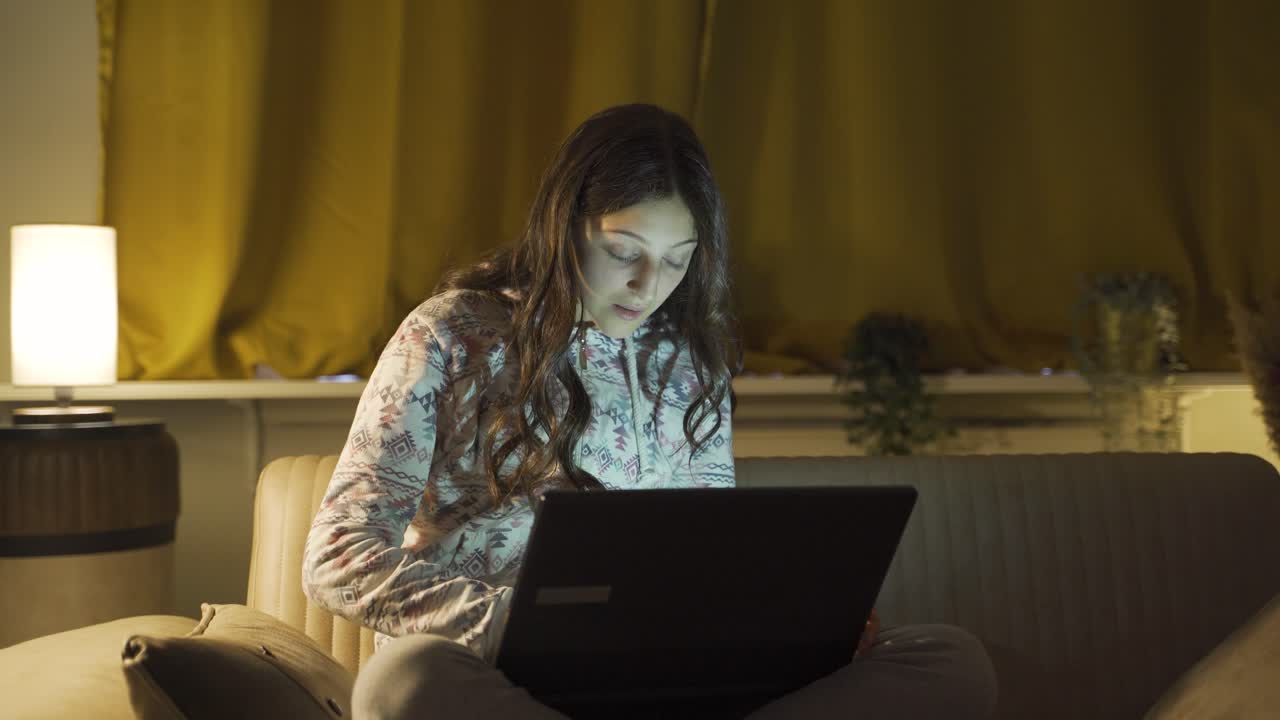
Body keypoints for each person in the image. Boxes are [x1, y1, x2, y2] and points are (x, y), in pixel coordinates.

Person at [302, 103, 997, 719]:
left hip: (664, 673)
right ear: (563, 226)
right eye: (623, 253)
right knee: (401, 683)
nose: (647, 285)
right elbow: (337, 558)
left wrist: (800, 625)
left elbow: (709, 553)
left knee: (950, 662)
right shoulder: (448, 335)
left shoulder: (690, 363)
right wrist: (519, 626)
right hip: (497, 671)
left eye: (676, 261)